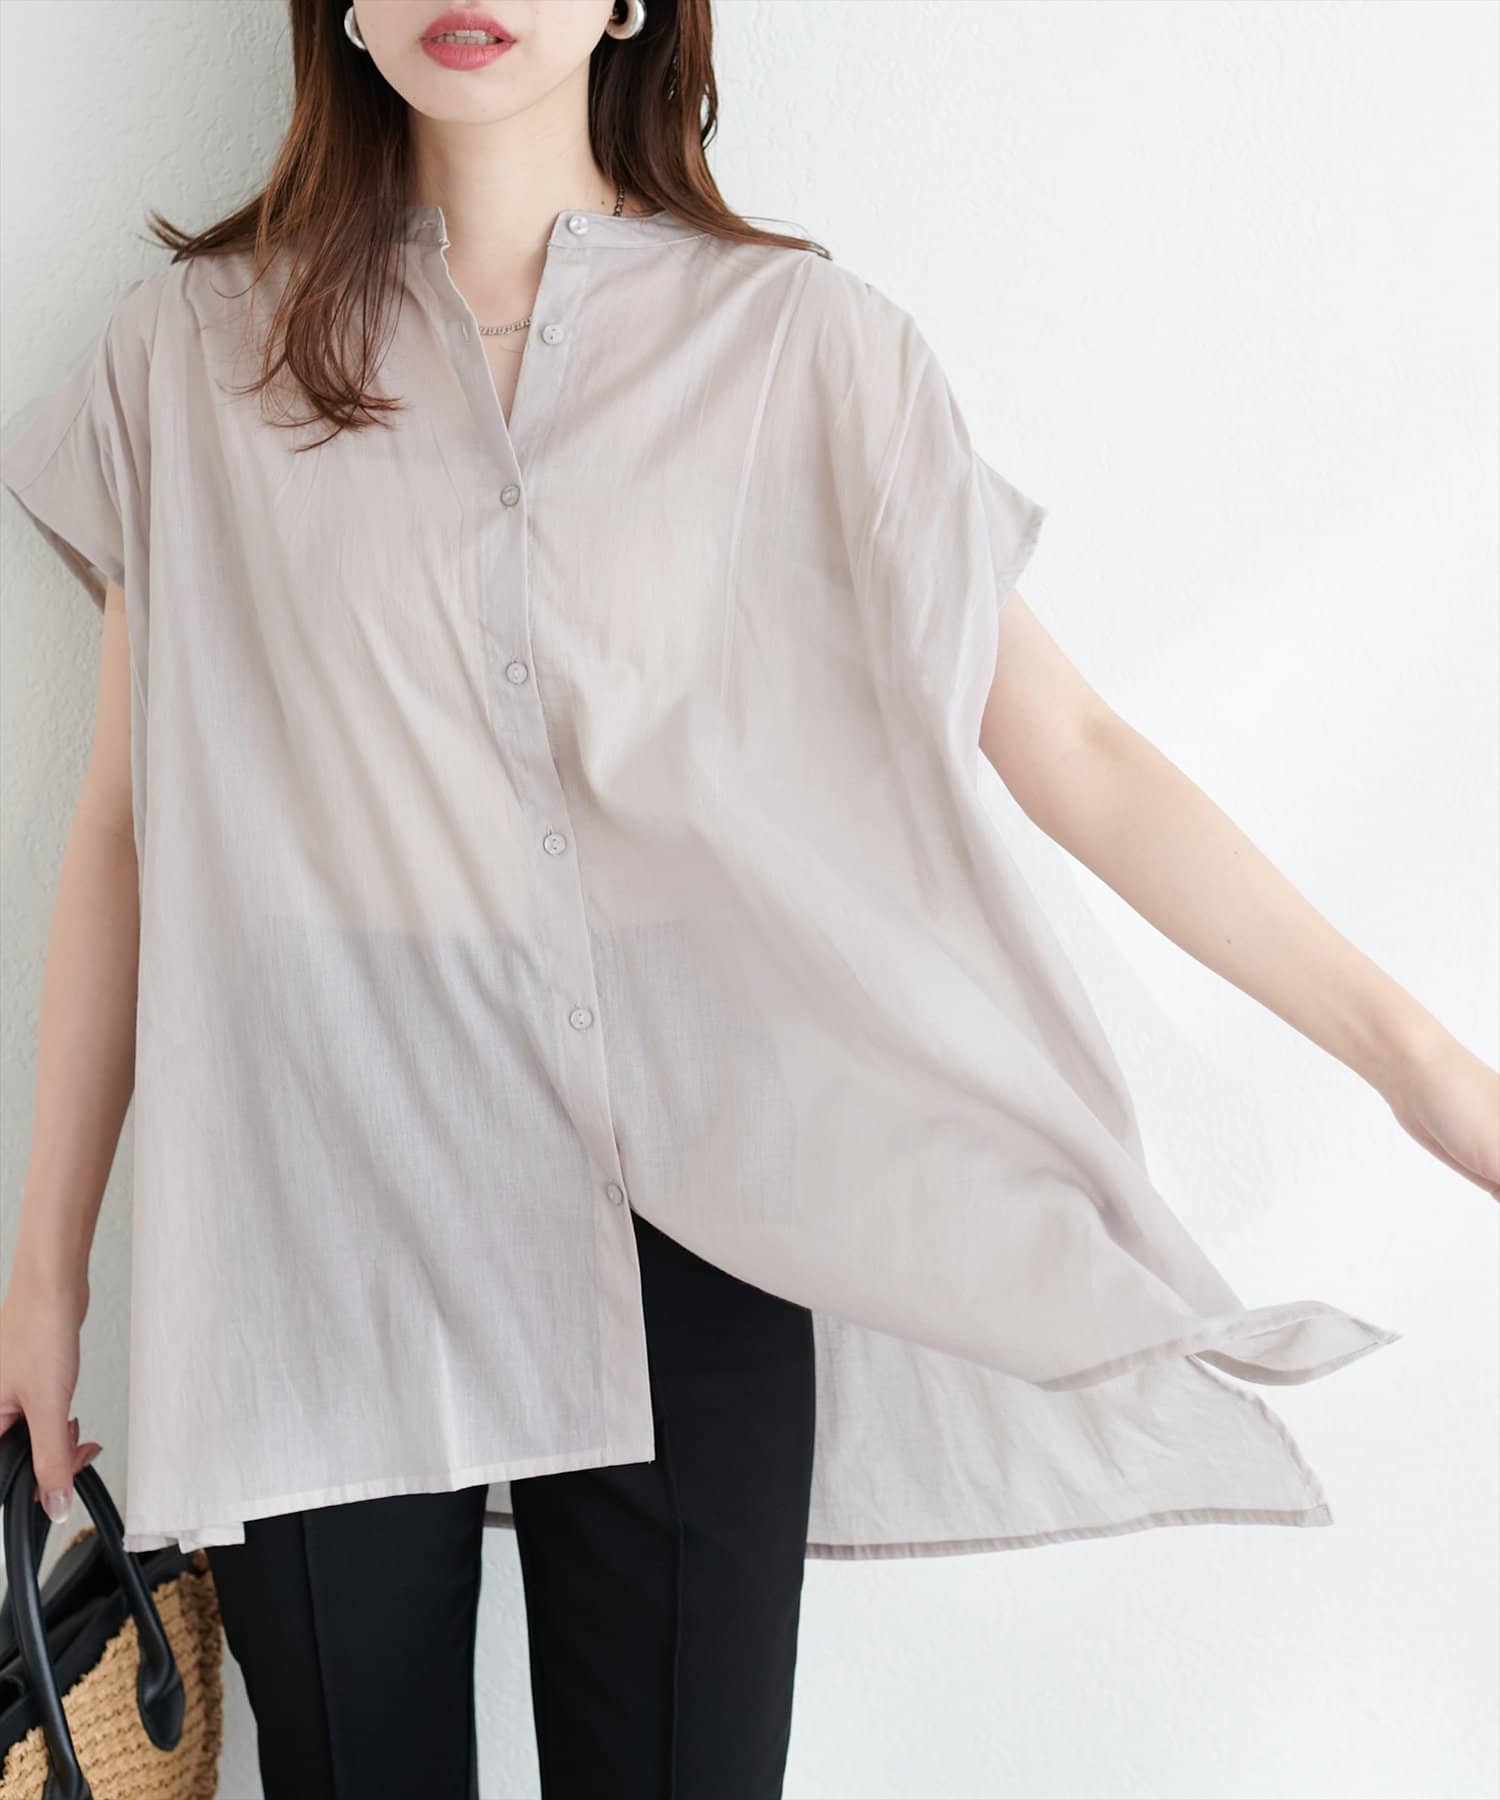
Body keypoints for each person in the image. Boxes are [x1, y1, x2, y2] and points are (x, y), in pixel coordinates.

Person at [0, 1, 1495, 1796]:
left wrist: (1421, 1065)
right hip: (318, 1206)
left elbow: (1078, 752)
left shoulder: (801, 353)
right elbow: (125, 828)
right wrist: (47, 1281)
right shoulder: (193, 359)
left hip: (692, 1207)